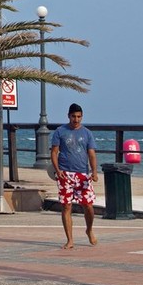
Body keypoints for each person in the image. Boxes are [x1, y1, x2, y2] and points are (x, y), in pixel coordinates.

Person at [50, 103, 98, 249]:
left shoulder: (87, 133)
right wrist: (57, 170)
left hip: (83, 174)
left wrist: (94, 171)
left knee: (88, 206)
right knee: (66, 206)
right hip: (65, 173)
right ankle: (70, 240)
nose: (76, 120)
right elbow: (54, 152)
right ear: (68, 116)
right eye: (73, 116)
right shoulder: (60, 131)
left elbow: (91, 153)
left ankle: (89, 229)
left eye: (78, 117)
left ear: (81, 117)